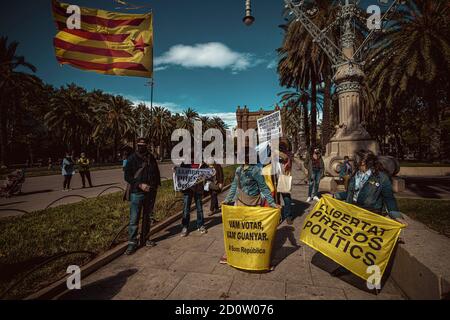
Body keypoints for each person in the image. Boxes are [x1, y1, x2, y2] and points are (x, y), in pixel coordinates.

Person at [332, 150, 408, 277]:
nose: (353, 160)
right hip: (353, 213)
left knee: (366, 246)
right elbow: (352, 193)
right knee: (348, 241)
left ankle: (369, 272)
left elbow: (389, 198)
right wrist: (336, 195)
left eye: (356, 158)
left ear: (363, 161)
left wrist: (396, 216)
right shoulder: (355, 174)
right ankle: (345, 266)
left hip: (370, 215)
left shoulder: (381, 177)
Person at [221, 147, 281, 264]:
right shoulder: (239, 170)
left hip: (254, 205)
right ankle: (232, 252)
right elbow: (234, 186)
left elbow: (263, 188)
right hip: (240, 204)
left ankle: (256, 255)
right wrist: (227, 200)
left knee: (254, 232)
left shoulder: (256, 170)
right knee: (238, 230)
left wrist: (273, 203)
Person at [124, 138, 161, 255]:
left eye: (144, 145)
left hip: (151, 192)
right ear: (137, 146)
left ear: (147, 146)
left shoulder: (151, 157)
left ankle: (145, 239)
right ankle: (132, 243)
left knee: (147, 217)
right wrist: (140, 185)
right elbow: (127, 176)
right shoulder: (132, 159)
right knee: (134, 219)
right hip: (137, 192)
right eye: (139, 145)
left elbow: (156, 172)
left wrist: (155, 186)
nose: (141, 147)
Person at [179, 155, 209, 237]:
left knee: (199, 208)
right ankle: (185, 226)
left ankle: (201, 225)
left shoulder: (202, 164)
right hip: (188, 189)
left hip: (198, 188)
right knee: (186, 209)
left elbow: (208, 173)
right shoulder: (185, 162)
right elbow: (180, 173)